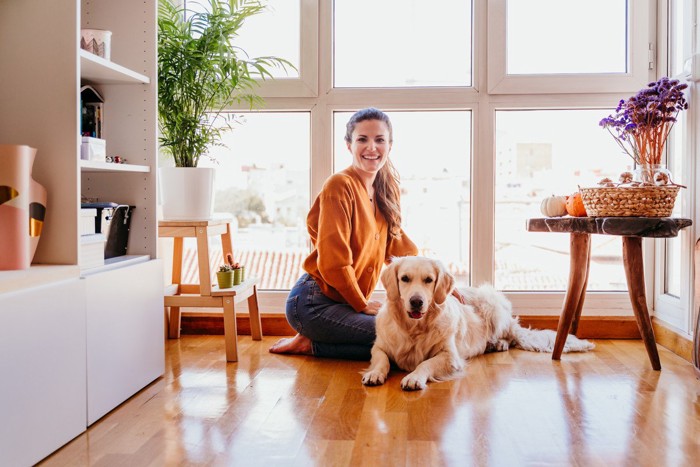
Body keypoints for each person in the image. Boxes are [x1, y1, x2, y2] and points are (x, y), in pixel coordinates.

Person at [268, 107, 419, 360]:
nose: (372, 147)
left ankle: (312, 344)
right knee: (402, 337)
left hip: (345, 306)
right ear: (349, 145)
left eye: (379, 140)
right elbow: (334, 262)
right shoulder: (339, 185)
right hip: (313, 304)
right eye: (362, 139)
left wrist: (442, 286)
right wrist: (362, 304)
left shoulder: (385, 192)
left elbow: (403, 253)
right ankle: (311, 341)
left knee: (406, 338)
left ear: (390, 146)